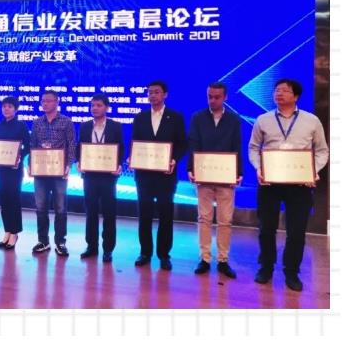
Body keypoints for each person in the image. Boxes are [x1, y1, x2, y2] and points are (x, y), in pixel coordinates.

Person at [248, 78, 329, 292]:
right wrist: (259, 168)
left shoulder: (311, 121)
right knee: (266, 229)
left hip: (299, 184)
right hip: (270, 183)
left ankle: (291, 272)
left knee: (296, 231)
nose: (279, 93)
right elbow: (253, 148)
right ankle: (266, 268)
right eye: (277, 90)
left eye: (284, 90)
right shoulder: (263, 120)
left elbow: (322, 151)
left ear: (296, 96)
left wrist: (313, 171)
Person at [130, 80, 187, 271]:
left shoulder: (175, 117)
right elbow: (135, 142)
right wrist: (132, 156)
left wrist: (174, 159)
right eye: (149, 92)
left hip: (166, 175)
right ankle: (145, 252)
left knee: (165, 215)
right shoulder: (140, 117)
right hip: (144, 175)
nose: (152, 95)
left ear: (165, 94)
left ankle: (164, 255)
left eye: (156, 92)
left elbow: (182, 144)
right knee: (144, 214)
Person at [188, 82, 242, 279]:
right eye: (210, 96)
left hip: (226, 177)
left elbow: (237, 146)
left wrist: (238, 172)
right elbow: (193, 144)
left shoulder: (234, 119)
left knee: (225, 220)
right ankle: (204, 258)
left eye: (217, 97)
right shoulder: (198, 117)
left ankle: (223, 260)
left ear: (225, 97)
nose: (212, 100)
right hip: (203, 175)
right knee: (204, 218)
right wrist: (191, 168)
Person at [77, 93, 125, 263]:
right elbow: (80, 147)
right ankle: (91, 246)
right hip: (89, 175)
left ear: (107, 107)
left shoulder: (115, 126)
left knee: (109, 213)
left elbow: (120, 148)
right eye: (92, 105)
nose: (94, 108)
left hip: (108, 176)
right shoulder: (85, 126)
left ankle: (108, 249)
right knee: (91, 212)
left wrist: (118, 165)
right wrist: (79, 162)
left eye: (98, 105)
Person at [30, 90, 76, 257]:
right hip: (41, 172)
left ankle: (60, 242)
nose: (45, 103)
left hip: (59, 172)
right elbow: (33, 145)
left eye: (48, 101)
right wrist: (31, 164)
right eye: (43, 101)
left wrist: (68, 165)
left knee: (60, 208)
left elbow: (71, 144)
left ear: (57, 102)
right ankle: (43, 241)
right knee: (40, 207)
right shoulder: (37, 122)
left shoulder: (66, 121)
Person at [0, 96, 30, 250]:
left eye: (9, 106)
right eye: (4, 106)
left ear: (15, 109)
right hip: (1, 168)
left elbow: (28, 146)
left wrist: (19, 157)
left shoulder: (21, 126)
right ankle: (7, 231)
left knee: (14, 199)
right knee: (3, 200)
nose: (6, 109)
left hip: (14, 169)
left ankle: (14, 232)